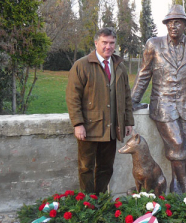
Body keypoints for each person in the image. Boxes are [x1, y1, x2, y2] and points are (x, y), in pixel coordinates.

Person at [131, 5, 186, 194]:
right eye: (169, 23)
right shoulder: (154, 45)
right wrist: (132, 101)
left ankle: (175, 187)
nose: (173, 26)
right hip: (163, 105)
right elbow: (143, 75)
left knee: (185, 150)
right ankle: (185, 184)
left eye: (178, 22)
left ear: (185, 25)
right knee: (177, 144)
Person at [66, 27, 134, 194]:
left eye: (112, 43)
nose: (108, 47)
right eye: (104, 42)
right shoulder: (81, 65)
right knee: (85, 168)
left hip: (112, 128)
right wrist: (78, 123)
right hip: (88, 128)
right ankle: (88, 203)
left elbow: (126, 96)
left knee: (106, 167)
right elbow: (72, 97)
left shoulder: (119, 67)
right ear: (96, 43)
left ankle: (100, 200)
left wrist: (128, 121)